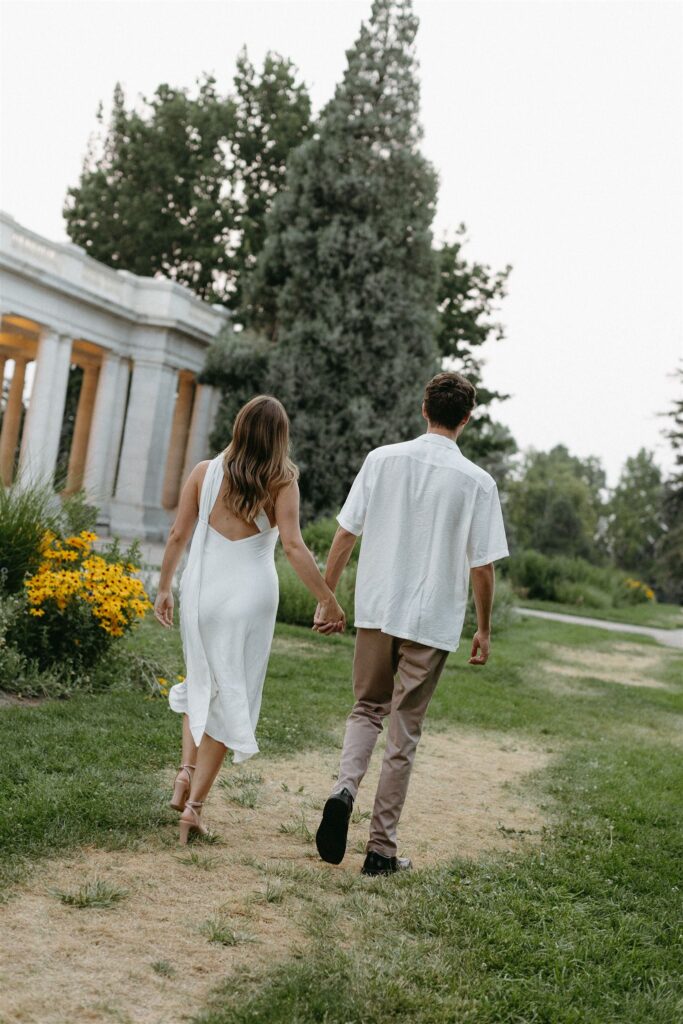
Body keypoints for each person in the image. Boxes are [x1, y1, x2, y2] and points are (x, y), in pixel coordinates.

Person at [313, 371, 509, 876]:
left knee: (365, 709)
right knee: (403, 732)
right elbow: (482, 567)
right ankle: (380, 851)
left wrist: (327, 599)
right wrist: (483, 629)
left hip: (378, 608)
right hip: (432, 618)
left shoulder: (381, 460)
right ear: (466, 418)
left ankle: (343, 789)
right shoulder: (477, 482)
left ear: (425, 409)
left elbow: (344, 535)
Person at [154, 395, 344, 844]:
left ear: (239, 426)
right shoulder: (282, 481)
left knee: (201, 681)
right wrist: (328, 600)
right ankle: (194, 809)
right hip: (249, 597)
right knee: (231, 693)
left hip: (201, 591)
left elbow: (179, 533)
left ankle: (185, 774)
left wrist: (164, 587)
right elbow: (294, 547)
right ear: (280, 437)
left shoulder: (203, 472)